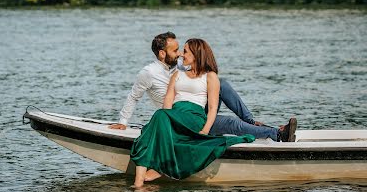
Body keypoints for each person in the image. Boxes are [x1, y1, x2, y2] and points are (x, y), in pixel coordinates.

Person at [109, 31, 297, 143]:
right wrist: (123, 122)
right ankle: (277, 134)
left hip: (197, 108)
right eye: (176, 51)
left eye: (181, 50)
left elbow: (199, 74)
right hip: (180, 117)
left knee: (222, 85)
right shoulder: (148, 73)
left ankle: (250, 121)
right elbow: (134, 96)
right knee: (230, 124)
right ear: (161, 54)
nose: (181, 54)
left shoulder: (180, 67)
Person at [130, 38, 255, 187]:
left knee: (158, 118)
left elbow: (213, 108)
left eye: (185, 51)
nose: (182, 55)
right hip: (174, 115)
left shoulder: (210, 76)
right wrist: (168, 124)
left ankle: (157, 170)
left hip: (194, 117)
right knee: (159, 119)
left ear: (196, 54)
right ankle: (139, 183)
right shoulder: (177, 74)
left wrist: (205, 131)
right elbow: (168, 101)